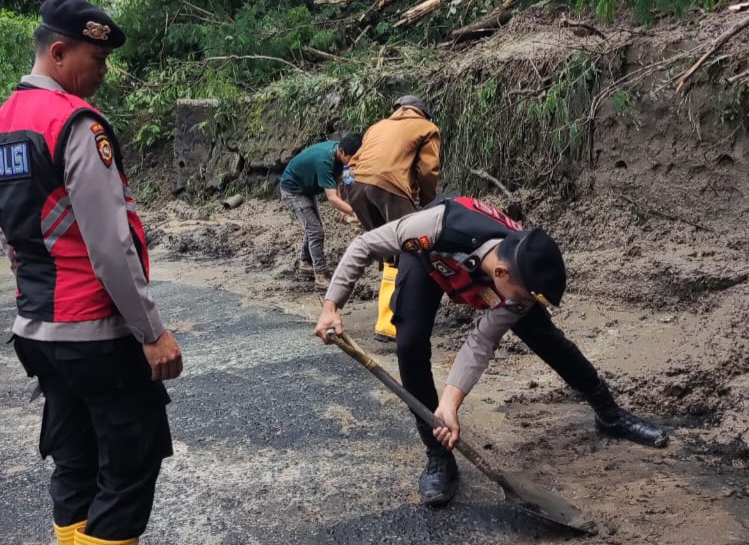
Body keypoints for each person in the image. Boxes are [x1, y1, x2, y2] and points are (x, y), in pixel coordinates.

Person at [0, 1, 183, 545]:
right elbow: (111, 246)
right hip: (94, 332)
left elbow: (11, 231)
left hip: (40, 330)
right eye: (97, 58)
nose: (104, 70)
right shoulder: (73, 122)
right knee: (127, 469)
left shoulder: (0, 125)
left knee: (75, 465)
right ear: (58, 52)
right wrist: (152, 332)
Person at [315, 195, 669, 507]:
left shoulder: (520, 274)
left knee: (546, 337)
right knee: (409, 344)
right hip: (428, 261)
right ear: (500, 272)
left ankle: (609, 413)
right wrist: (332, 305)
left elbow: (481, 342)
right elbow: (362, 245)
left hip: (487, 274)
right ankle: (438, 455)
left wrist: (451, 404)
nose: (522, 304)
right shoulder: (431, 226)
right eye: (523, 297)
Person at [345, 95, 440, 341]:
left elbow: (353, 163)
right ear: (422, 113)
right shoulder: (427, 128)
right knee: (408, 252)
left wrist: (353, 195)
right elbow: (428, 170)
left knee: (389, 251)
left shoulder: (377, 126)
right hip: (390, 188)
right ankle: (393, 323)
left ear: (397, 109)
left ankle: (385, 321)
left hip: (356, 187)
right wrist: (429, 203)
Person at [279, 134, 362, 289]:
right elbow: (331, 198)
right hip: (293, 189)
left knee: (312, 229)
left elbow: (336, 180)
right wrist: (355, 212)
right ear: (342, 152)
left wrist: (343, 208)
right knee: (316, 231)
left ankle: (305, 263)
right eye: (352, 159)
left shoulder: (339, 153)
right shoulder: (325, 160)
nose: (354, 163)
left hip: (307, 187)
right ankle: (320, 275)